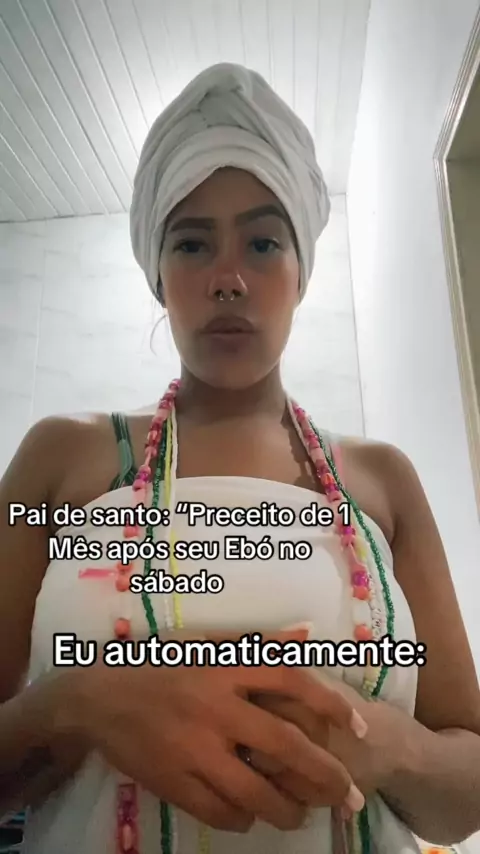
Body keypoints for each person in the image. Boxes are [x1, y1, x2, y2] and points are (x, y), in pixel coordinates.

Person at [0, 63, 479, 854]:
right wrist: (78, 703)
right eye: (192, 243)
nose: (228, 279)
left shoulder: (383, 479)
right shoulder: (60, 458)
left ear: (300, 274)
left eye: (262, 242)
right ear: (159, 277)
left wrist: (382, 743)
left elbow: (466, 791)